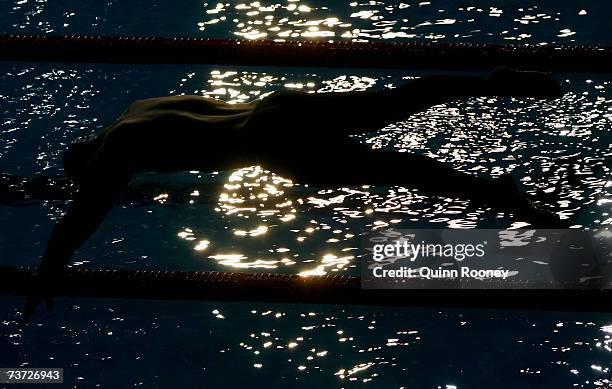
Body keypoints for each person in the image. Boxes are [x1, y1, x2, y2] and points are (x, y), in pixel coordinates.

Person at [20, 67, 564, 325]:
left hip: (269, 143)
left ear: (90, 160)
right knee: (394, 103)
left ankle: (515, 204)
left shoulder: (120, 149)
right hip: (277, 107)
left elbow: (83, 216)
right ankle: (494, 80)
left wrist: (49, 269)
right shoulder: (141, 107)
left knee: (405, 171)